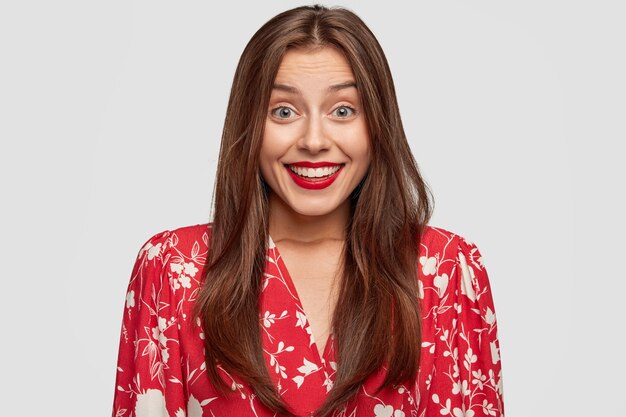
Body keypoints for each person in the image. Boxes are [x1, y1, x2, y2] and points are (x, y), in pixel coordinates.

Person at [112, 5, 504, 417]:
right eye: (284, 111)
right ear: (249, 125)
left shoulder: (446, 270)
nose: (314, 140)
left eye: (343, 110)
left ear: (377, 124)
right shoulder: (174, 269)